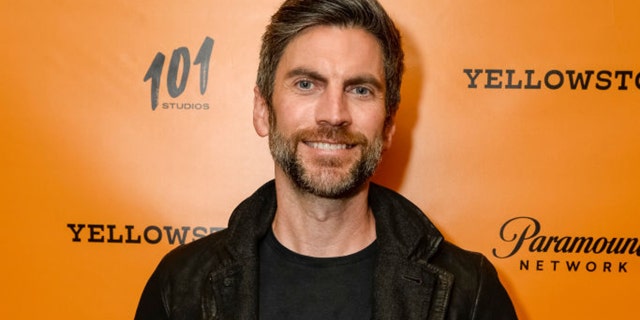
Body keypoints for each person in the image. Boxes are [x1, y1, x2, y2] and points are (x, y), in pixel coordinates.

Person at [135, 0, 518, 319]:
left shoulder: (469, 295)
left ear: (388, 126)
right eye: (306, 84)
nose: (334, 114)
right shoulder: (179, 287)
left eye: (360, 89)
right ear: (263, 110)